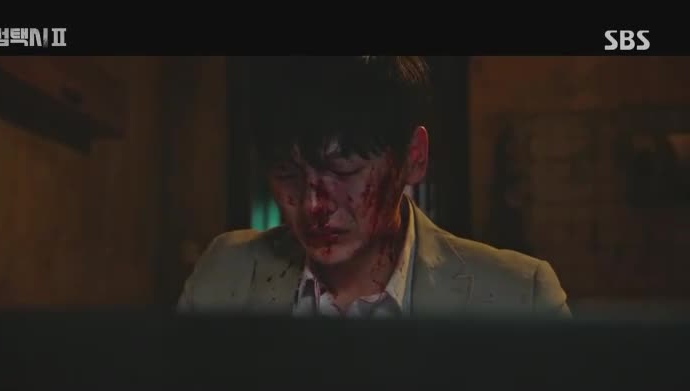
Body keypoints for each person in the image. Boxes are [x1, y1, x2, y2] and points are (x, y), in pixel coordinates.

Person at [178, 56, 571, 319]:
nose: (314, 205)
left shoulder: (519, 297)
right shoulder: (225, 272)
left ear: (414, 157)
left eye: (343, 170)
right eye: (287, 173)